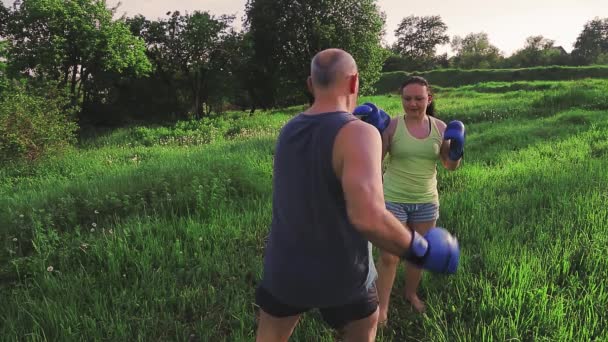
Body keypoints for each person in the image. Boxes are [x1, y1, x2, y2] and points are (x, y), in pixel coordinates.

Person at [254, 50, 459, 342]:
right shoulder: (358, 133)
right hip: (343, 272)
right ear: (354, 83)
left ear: (311, 84)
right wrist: (421, 250)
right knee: (363, 330)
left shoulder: (289, 129)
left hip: (284, 266)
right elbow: (368, 216)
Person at [370, 75, 465, 322]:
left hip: (425, 201)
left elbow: (449, 165)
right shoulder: (393, 125)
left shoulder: (440, 128)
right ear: (401, 99)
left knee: (419, 253)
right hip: (393, 198)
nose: (413, 104)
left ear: (429, 99)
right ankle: (382, 308)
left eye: (419, 98)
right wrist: (374, 133)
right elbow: (374, 162)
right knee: (390, 256)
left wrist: (456, 150)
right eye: (407, 98)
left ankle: (410, 294)